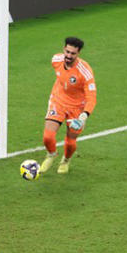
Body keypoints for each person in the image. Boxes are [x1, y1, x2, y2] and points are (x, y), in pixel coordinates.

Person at [39, 37, 97, 175]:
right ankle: (51, 155)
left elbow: (92, 97)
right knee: (48, 136)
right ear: (63, 49)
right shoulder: (56, 60)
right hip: (58, 101)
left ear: (78, 54)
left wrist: (84, 116)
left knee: (71, 141)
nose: (69, 56)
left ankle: (66, 160)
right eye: (67, 51)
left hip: (77, 108)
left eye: (73, 53)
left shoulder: (85, 72)